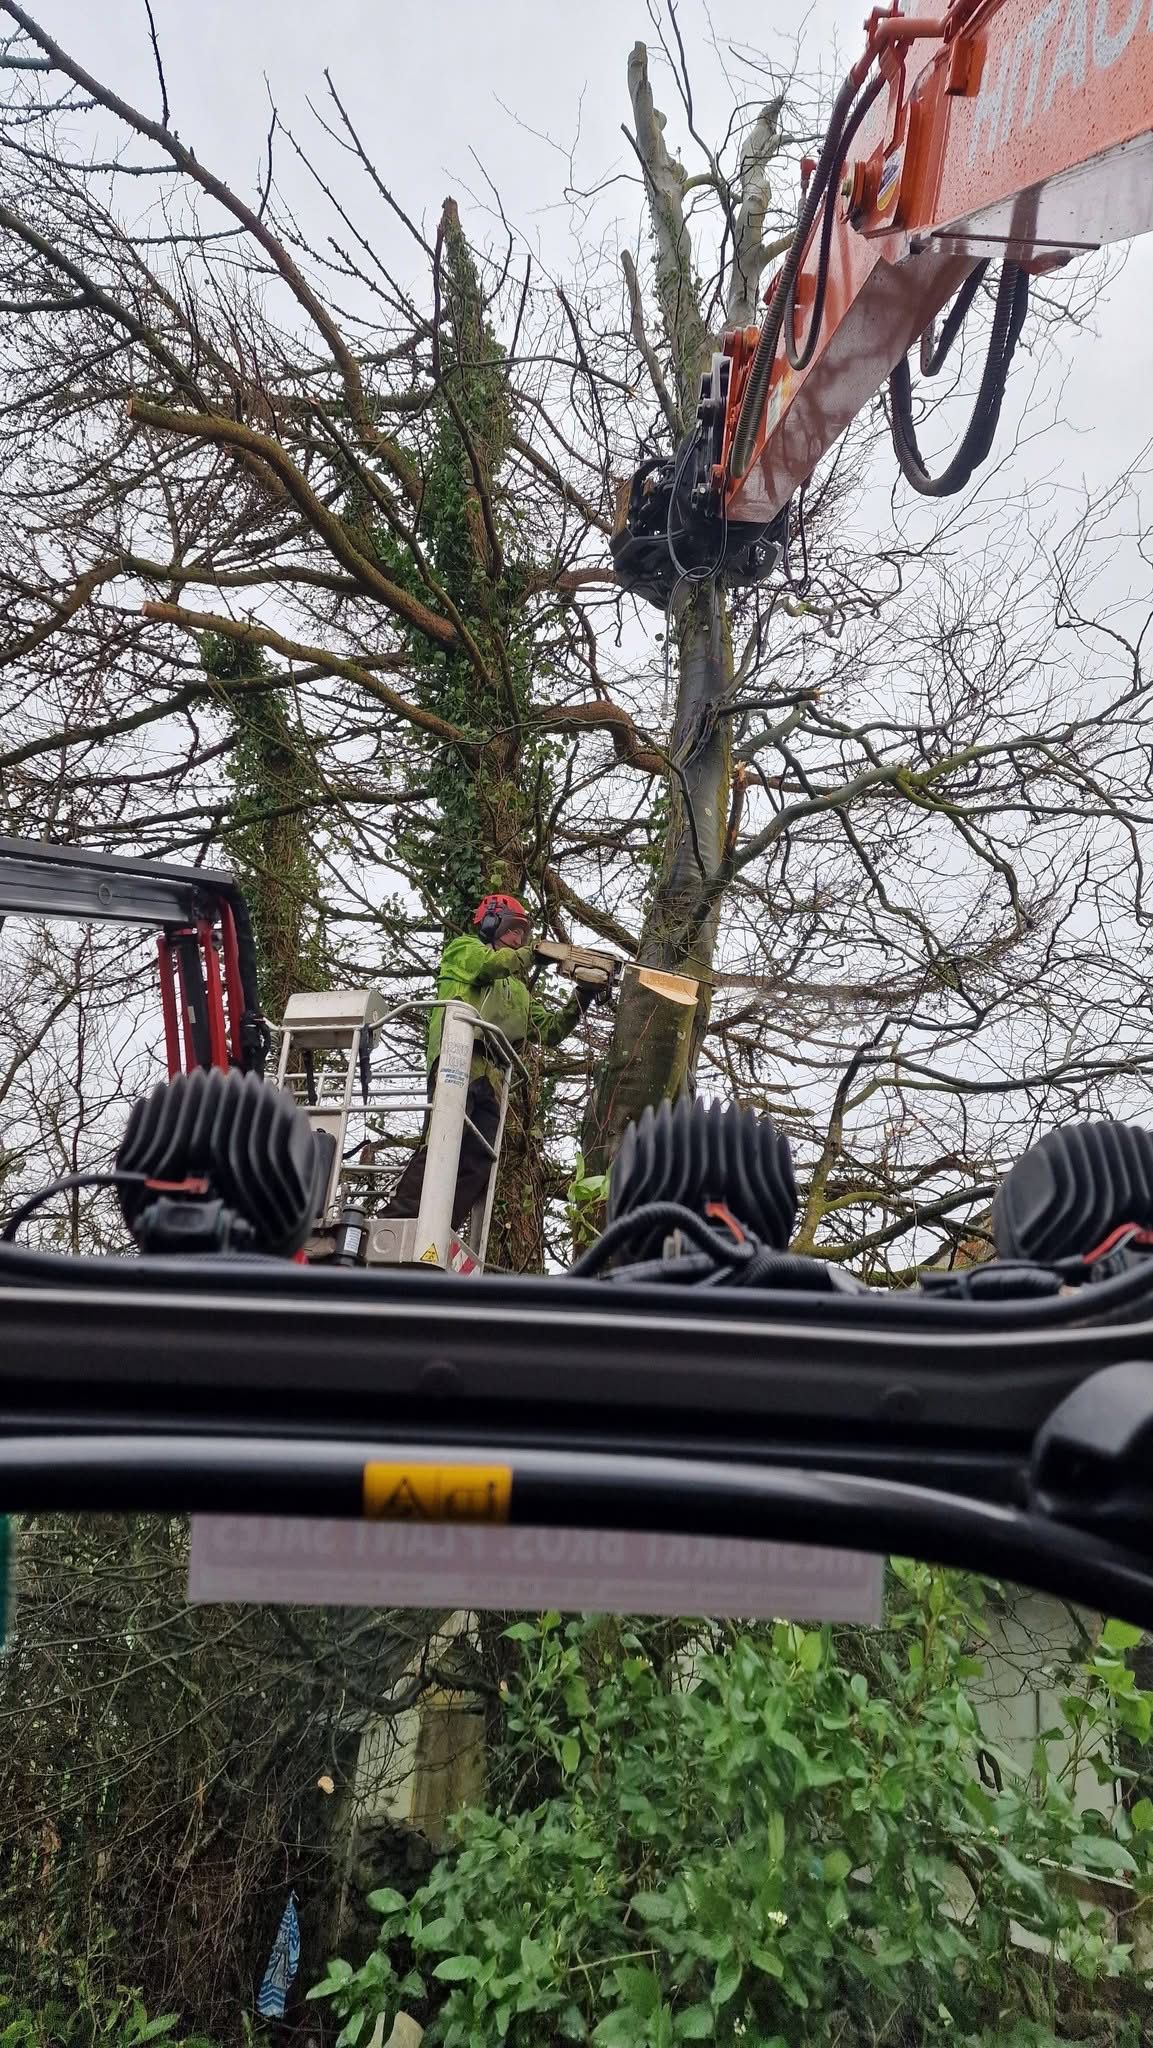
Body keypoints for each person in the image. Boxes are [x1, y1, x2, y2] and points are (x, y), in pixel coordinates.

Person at [384, 893, 595, 1230]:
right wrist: (534, 953)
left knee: (479, 1159)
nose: (517, 938)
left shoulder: (519, 992)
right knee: (444, 1137)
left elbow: (550, 1030)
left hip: (493, 1076)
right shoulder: (464, 950)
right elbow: (488, 967)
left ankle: (441, 1227)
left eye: (523, 934)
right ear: (491, 923)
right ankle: (398, 1220)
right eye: (512, 929)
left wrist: (583, 996)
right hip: (458, 1057)